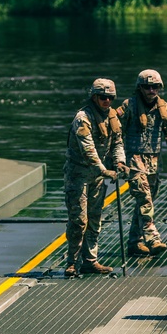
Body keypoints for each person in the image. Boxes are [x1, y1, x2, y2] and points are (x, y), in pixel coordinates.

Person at [116, 69, 167, 257]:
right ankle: (153, 238)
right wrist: (117, 159)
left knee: (146, 201)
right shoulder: (129, 106)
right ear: (140, 88)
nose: (151, 90)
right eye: (147, 87)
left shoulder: (164, 109)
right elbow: (115, 130)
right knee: (144, 199)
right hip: (134, 159)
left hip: (154, 160)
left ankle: (134, 243)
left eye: (155, 87)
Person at [63, 78, 126, 277]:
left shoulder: (113, 116)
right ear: (94, 97)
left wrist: (120, 162)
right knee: (78, 220)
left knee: (95, 218)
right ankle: (72, 262)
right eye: (102, 97)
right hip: (78, 175)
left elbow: (117, 143)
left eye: (110, 98)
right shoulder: (83, 117)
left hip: (97, 177)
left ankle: (90, 260)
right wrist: (103, 170)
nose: (106, 101)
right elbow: (88, 149)